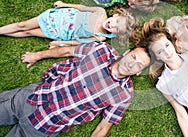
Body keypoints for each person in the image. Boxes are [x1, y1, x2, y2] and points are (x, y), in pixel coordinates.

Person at [0, 41, 151, 136]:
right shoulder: (102, 50)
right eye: (133, 57)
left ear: (139, 72)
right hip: (35, 96)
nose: (131, 64)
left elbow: (103, 127)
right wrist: (37, 56)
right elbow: (67, 51)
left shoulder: (124, 94)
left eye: (139, 65)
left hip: (45, 125)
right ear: (126, 53)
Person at [0, 0, 137, 46]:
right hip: (59, 17)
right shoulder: (100, 12)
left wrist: (61, 44)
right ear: (117, 14)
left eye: (116, 29)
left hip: (59, 32)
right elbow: (81, 7)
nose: (112, 25)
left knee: (28, 32)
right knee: (23, 25)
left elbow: (78, 42)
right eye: (116, 21)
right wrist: (63, 4)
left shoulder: (100, 37)